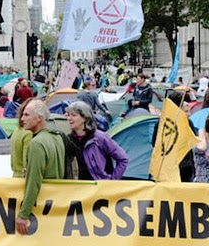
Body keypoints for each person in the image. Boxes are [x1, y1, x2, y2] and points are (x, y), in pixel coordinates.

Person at [16, 100, 65, 235]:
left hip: (42, 207)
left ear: (39, 118)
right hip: (58, 203)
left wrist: (23, 214)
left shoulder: (36, 144)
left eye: (26, 115)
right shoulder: (57, 138)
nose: (22, 119)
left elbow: (34, 182)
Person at [64, 101, 128, 180]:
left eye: (73, 115)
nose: (69, 118)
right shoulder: (68, 139)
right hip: (77, 186)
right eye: (68, 115)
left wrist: (113, 180)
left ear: (85, 117)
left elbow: (123, 159)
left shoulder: (100, 138)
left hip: (99, 186)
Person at [10, 98, 35, 177]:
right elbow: (26, 162)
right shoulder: (28, 134)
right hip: (23, 178)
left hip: (15, 175)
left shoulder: (17, 130)